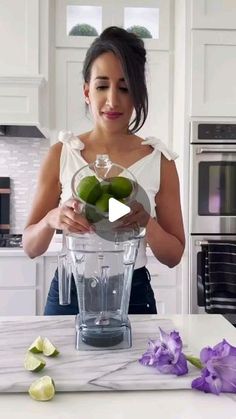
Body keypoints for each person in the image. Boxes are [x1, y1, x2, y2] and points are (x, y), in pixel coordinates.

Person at [23, 26, 185, 315]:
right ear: (87, 91)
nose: (112, 100)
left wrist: (147, 222)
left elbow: (174, 256)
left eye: (124, 88)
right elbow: (30, 247)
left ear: (137, 94)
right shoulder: (62, 153)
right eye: (102, 86)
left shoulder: (160, 161)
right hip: (70, 293)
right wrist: (51, 219)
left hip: (132, 293)